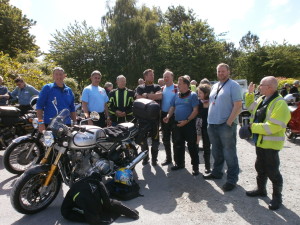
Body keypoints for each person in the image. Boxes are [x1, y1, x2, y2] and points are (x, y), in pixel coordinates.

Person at [243, 76, 290, 210]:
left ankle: (277, 198)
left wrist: (253, 128)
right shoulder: (263, 99)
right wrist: (250, 94)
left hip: (271, 144)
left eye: (261, 85)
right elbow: (251, 108)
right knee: (260, 167)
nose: (259, 87)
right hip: (260, 142)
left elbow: (273, 127)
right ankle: (261, 189)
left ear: (270, 87)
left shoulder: (280, 103)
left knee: (273, 171)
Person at [203, 63, 242, 192]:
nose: (221, 73)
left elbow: (238, 105)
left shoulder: (234, 85)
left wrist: (229, 122)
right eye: (219, 71)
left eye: (223, 71)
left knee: (229, 153)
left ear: (228, 72)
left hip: (225, 125)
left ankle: (232, 179)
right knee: (216, 151)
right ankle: (217, 172)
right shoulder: (215, 86)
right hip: (213, 124)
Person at [61, 172, 139, 225]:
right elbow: (108, 203)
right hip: (93, 210)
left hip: (76, 207)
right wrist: (132, 213)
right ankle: (133, 213)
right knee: (98, 215)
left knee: (70, 212)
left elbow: (66, 205)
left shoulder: (76, 184)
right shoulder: (99, 183)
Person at [163, 76, 199, 176]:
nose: (177, 85)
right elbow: (172, 107)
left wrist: (186, 121)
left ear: (186, 85)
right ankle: (180, 164)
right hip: (177, 124)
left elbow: (195, 110)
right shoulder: (176, 95)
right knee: (178, 145)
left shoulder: (193, 95)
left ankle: (195, 167)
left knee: (192, 146)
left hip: (189, 124)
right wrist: (168, 116)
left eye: (179, 83)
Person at [36, 67, 76, 133]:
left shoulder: (69, 90)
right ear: (53, 76)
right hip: (49, 124)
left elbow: (72, 108)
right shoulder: (47, 88)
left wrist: (75, 123)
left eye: (60, 74)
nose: (58, 76)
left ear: (64, 76)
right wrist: (40, 123)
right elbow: (39, 106)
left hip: (66, 124)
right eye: (56, 74)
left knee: (66, 143)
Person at [136, 69, 161, 166]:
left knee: (155, 140)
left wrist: (146, 95)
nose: (152, 76)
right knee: (143, 140)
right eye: (150, 75)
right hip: (143, 118)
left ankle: (154, 159)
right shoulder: (140, 87)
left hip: (155, 119)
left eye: (153, 75)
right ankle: (145, 158)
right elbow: (138, 98)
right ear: (145, 77)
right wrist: (153, 96)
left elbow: (160, 96)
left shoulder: (157, 86)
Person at [156, 70, 177, 166]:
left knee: (177, 139)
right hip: (164, 115)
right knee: (165, 138)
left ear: (172, 77)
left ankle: (178, 161)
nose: (166, 78)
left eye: (168, 76)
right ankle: (169, 158)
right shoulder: (162, 88)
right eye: (164, 77)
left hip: (175, 116)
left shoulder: (177, 88)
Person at [197, 83, 211, 174]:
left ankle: (207, 167)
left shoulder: (211, 102)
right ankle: (195, 166)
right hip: (198, 126)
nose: (198, 94)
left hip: (208, 127)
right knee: (196, 145)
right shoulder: (198, 102)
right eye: (198, 92)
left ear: (206, 93)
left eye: (200, 93)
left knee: (206, 147)